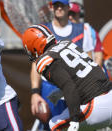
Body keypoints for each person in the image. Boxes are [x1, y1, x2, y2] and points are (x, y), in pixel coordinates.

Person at [22, 24, 112, 131]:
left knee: (54, 125)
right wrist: (59, 93)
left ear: (34, 46)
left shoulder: (45, 60)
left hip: (96, 106)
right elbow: (81, 76)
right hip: (109, 93)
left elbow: (68, 85)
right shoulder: (66, 43)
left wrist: (74, 119)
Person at [30, 0, 95, 129]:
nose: (59, 8)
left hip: (76, 88)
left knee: (77, 126)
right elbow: (35, 65)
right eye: (56, 5)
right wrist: (35, 92)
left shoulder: (83, 30)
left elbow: (89, 62)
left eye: (62, 5)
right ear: (52, 7)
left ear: (68, 7)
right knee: (50, 126)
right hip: (50, 88)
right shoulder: (42, 31)